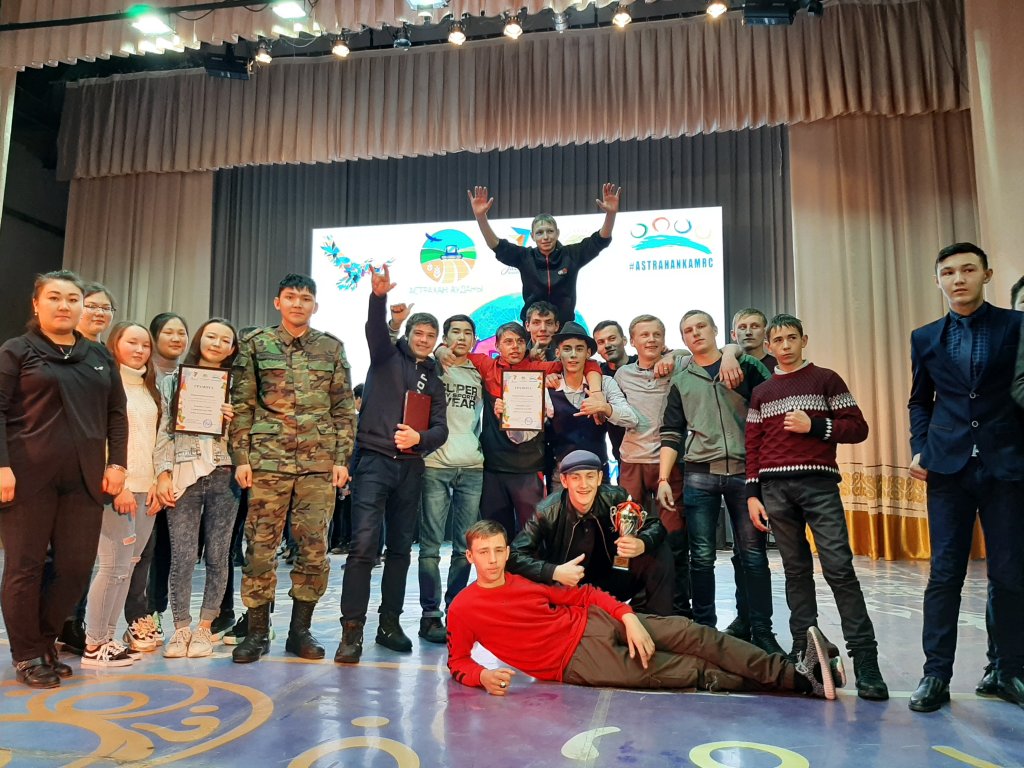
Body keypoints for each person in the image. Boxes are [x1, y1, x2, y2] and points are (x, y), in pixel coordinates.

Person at [449, 520, 845, 700]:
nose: (493, 560)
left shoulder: (523, 580)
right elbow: (458, 661)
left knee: (694, 633)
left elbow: (583, 596)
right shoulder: (464, 608)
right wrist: (482, 675)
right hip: (576, 661)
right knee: (691, 671)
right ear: (470, 557)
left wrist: (627, 617)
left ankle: (799, 674)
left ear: (507, 551)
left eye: (498, 550)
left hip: (598, 622)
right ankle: (803, 682)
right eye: (484, 553)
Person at [746, 313, 888, 701]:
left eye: (792, 338)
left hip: (818, 485)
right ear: (769, 347)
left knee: (839, 569)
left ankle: (867, 663)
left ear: (803, 340)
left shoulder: (826, 379)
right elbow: (752, 445)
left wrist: (816, 426)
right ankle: (805, 656)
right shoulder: (762, 392)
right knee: (795, 572)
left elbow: (857, 427)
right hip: (775, 490)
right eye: (778, 340)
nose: (785, 345)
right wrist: (753, 494)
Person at [907, 243, 1024, 712]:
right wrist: (920, 446)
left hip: (1006, 465)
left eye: (968, 270)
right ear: (938, 280)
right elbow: (920, 400)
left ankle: (1007, 671)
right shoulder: (925, 337)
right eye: (949, 272)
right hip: (947, 468)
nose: (959, 279)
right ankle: (935, 675)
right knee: (944, 575)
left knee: (1010, 575)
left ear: (986, 275)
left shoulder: (1016, 326)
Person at [0, 270, 128, 688]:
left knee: (74, 567)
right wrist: (1, 466)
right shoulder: (17, 351)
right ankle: (27, 655)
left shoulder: (98, 355)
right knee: (25, 567)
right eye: (54, 297)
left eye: (73, 299)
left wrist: (117, 464)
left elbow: (116, 413)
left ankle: (43, 641)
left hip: (84, 481)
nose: (64, 305)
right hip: (26, 479)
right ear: (36, 304)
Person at [230, 273, 356, 664]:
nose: (298, 303)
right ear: (277, 302)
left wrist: (341, 460)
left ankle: (300, 631)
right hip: (267, 462)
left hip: (318, 464)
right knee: (260, 549)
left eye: (305, 298)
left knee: (314, 549)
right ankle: (256, 632)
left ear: (315, 305)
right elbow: (243, 406)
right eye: (290, 297)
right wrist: (241, 458)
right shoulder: (256, 344)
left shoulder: (330, 347)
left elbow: (343, 409)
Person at [336, 265, 448, 664]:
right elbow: (374, 329)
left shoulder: (435, 380)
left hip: (411, 469)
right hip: (374, 461)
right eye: (419, 333)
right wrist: (379, 298)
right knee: (364, 547)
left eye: (430, 335)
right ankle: (351, 632)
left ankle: (390, 625)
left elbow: (440, 430)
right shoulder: (385, 356)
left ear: (435, 341)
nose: (424, 339)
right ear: (409, 334)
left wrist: (420, 439)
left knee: (401, 550)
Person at [658, 310, 782, 656]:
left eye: (701, 326)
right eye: (688, 330)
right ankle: (705, 631)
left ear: (715, 331)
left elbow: (772, 413)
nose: (695, 333)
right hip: (700, 474)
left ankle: (762, 630)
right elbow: (671, 432)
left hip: (746, 474)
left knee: (753, 556)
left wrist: (768, 469)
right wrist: (664, 478)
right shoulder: (681, 380)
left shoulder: (747, 367)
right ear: (683, 339)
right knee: (701, 557)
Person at [437, 322, 603, 538]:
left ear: (526, 345)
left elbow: (588, 364)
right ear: (497, 346)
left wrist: (597, 392)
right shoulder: (487, 366)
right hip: (493, 466)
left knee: (533, 535)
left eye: (520, 341)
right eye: (508, 342)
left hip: (529, 466)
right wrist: (439, 350)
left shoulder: (539, 369)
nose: (514, 347)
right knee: (496, 534)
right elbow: (456, 352)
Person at [153, 318, 240, 659]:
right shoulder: (173, 381)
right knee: (183, 556)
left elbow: (246, 437)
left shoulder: (237, 387)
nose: (216, 343)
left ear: (232, 349)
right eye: (211, 336)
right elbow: (164, 430)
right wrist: (163, 473)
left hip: (224, 473)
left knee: (218, 555)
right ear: (200, 339)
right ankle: (180, 628)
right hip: (183, 474)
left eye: (224, 340)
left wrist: (233, 421)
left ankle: (205, 627)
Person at [81, 322, 162, 668]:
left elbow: (155, 440)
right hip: (116, 489)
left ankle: (108, 638)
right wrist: (120, 485)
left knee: (127, 568)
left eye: (145, 344)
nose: (140, 349)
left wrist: (156, 482)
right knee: (112, 566)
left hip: (147, 490)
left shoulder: (149, 388)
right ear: (115, 344)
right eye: (132, 342)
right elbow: (98, 438)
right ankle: (94, 643)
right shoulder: (104, 385)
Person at [510, 449, 674, 615]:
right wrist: (554, 571)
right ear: (564, 481)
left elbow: (655, 525)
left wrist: (642, 542)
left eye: (590, 476)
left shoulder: (617, 497)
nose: (584, 485)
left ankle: (658, 620)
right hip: (569, 585)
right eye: (576, 477)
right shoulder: (547, 511)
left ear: (599, 478)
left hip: (614, 575)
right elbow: (515, 554)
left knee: (660, 551)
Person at [122, 311, 190, 652]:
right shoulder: (139, 378)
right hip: (135, 479)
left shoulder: (192, 377)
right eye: (168, 332)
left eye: (181, 333)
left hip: (176, 479)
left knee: (161, 551)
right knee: (126, 554)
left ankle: (153, 611)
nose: (176, 339)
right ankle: (126, 617)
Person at [56, 288, 119, 656]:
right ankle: (52, 626)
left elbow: (115, 417)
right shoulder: (57, 351)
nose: (98, 313)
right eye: (91, 305)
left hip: (98, 471)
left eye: (105, 308)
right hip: (58, 468)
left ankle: (71, 623)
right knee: (55, 555)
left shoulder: (105, 358)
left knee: (83, 554)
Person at [467, 183, 622, 326]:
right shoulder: (525, 257)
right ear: (532, 236)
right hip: (533, 328)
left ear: (557, 233)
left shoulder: (571, 255)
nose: (545, 237)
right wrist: (481, 217)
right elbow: (496, 245)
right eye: (540, 233)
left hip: (564, 327)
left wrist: (611, 214)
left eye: (550, 231)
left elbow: (600, 240)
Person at [417, 315, 484, 644]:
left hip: (472, 466)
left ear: (474, 339)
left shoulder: (479, 372)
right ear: (444, 338)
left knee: (463, 548)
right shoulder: (433, 367)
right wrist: (438, 352)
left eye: (467, 333)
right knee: (430, 548)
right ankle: (430, 616)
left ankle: (455, 611)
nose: (461, 337)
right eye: (455, 332)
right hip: (436, 465)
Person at [543, 322, 637, 492]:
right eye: (567, 349)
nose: (573, 355)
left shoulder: (605, 383)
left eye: (579, 349)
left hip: (599, 472)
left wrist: (605, 408)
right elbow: (528, 430)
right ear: (558, 353)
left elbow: (631, 419)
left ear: (588, 353)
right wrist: (507, 414)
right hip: (562, 475)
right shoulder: (548, 388)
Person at [593, 320, 637, 464]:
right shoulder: (596, 375)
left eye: (612, 338)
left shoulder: (642, 363)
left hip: (654, 450)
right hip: (622, 456)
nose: (607, 345)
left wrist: (670, 356)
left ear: (624, 340)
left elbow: (681, 355)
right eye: (601, 342)